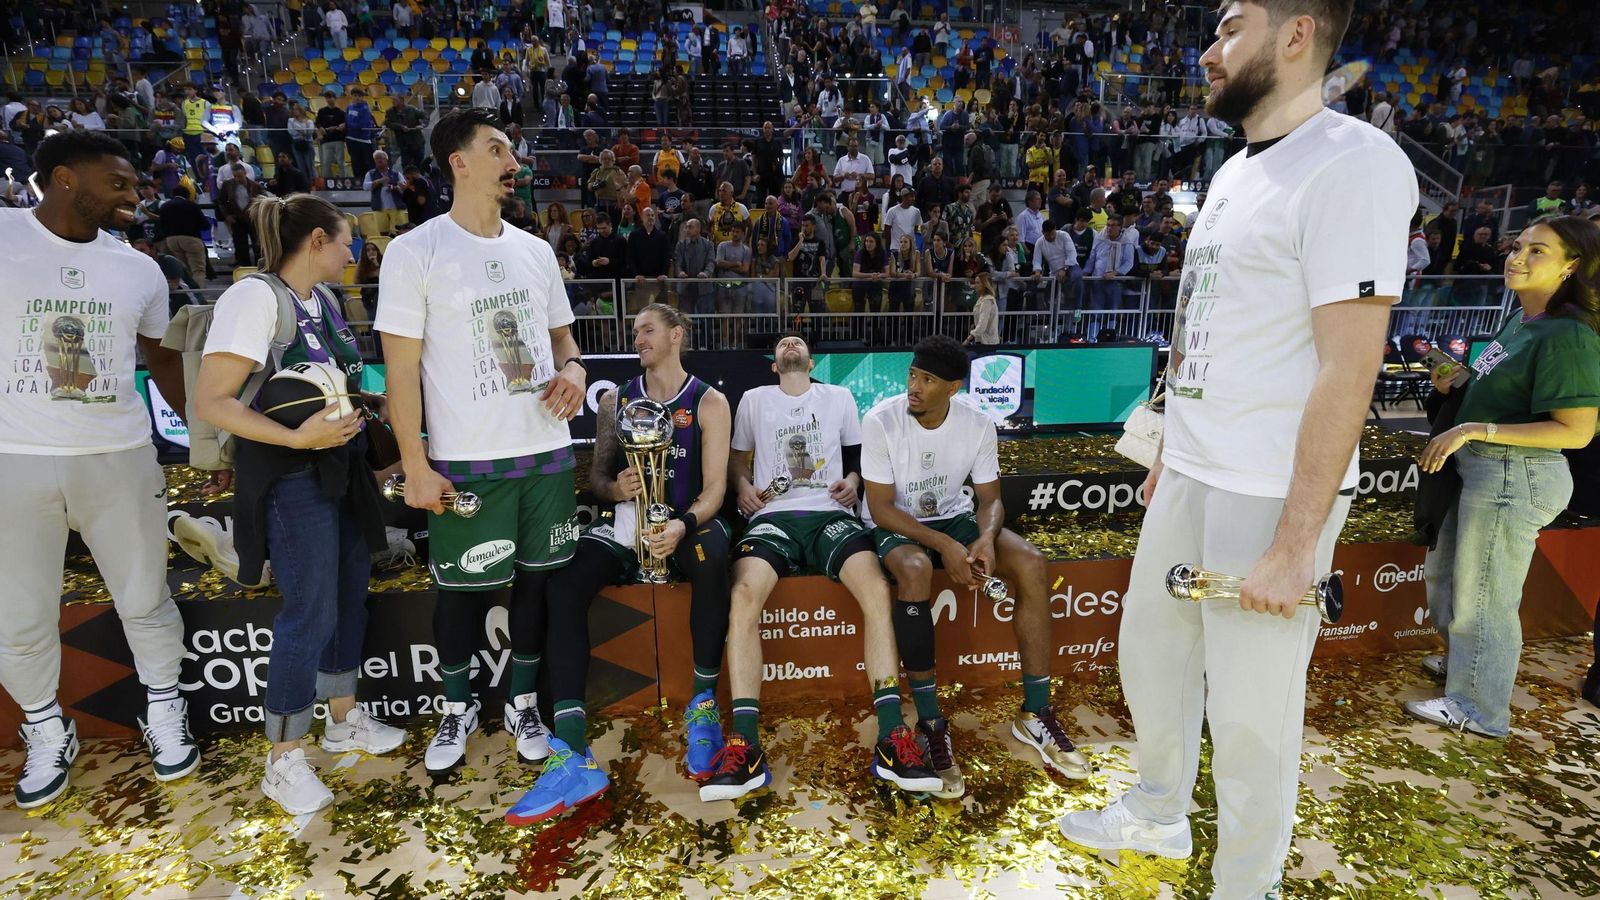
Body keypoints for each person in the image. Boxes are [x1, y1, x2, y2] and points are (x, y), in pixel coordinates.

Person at [1058, 2, 1418, 896]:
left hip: (1270, 489)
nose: (1209, 52)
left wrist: (1297, 545)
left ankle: (1245, 883)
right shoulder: (1233, 173)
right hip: (1196, 471)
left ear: (1295, 36)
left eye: (1229, 28)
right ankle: (1157, 810)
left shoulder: (1357, 163)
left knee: (1256, 713)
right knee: (1149, 655)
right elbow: (1207, 329)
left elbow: (1349, 365)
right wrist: (1173, 445)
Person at [374, 109, 588, 776]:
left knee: (535, 586)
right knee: (462, 594)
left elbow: (564, 343)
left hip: (546, 452)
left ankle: (522, 702)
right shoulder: (415, 252)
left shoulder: (534, 250)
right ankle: (458, 704)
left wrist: (577, 370)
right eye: (497, 149)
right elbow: (400, 371)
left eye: (512, 150)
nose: (513, 162)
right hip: (467, 462)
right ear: (458, 162)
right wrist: (415, 464)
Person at [194, 192, 405, 814]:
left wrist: (377, 402)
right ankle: (282, 759)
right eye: (346, 243)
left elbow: (329, 384)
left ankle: (344, 719)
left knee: (347, 593)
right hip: (288, 475)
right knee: (309, 611)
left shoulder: (327, 301)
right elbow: (212, 402)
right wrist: (296, 437)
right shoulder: (255, 298)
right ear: (316, 240)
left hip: (340, 470)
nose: (351, 254)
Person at [5, 130, 197, 809]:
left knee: (144, 595)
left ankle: (165, 707)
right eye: (117, 183)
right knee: (19, 615)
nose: (133, 194)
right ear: (64, 179)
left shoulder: (139, 269)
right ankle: (44, 726)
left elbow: (163, 360)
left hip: (118, 455)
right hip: (14, 461)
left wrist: (203, 438)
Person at [507, 304, 733, 823]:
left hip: (686, 524)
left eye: (647, 330)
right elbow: (598, 480)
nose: (638, 339)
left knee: (713, 558)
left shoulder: (710, 401)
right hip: (627, 527)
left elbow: (717, 489)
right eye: (635, 333)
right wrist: (616, 488)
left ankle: (701, 707)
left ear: (677, 334)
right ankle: (571, 749)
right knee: (562, 586)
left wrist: (681, 526)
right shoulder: (615, 399)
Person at [702, 333, 942, 802]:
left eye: (799, 343)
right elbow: (735, 462)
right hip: (772, 516)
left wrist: (853, 483)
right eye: (782, 345)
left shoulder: (840, 397)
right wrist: (743, 487)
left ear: (811, 362)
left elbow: (857, 461)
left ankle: (893, 735)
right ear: (775, 365)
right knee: (742, 596)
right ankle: (746, 744)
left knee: (876, 590)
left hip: (831, 516)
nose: (790, 344)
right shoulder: (753, 399)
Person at [864, 334, 1089, 800]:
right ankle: (930, 722)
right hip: (899, 524)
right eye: (912, 375)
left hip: (957, 520)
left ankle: (1035, 714)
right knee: (915, 569)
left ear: (953, 387)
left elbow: (989, 501)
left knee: (1030, 561)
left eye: (927, 380)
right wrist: (946, 545)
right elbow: (882, 509)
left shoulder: (978, 424)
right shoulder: (881, 420)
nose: (914, 386)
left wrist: (983, 539)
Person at [1410, 216, 1600, 736]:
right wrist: (1459, 382)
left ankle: (1478, 708)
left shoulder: (1570, 336)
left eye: (1537, 251)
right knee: (1448, 582)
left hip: (1516, 476)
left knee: (1484, 598)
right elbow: (1497, 389)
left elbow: (1576, 431)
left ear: (1572, 266)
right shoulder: (1521, 322)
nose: (1516, 258)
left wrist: (1475, 427)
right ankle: (1467, 670)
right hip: (1484, 470)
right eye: (1516, 247)